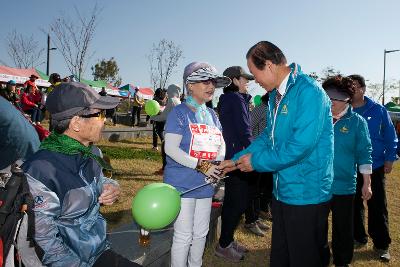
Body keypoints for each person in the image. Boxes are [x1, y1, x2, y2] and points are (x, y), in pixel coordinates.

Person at [219, 41, 334, 267]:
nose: (255, 81)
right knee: (282, 255)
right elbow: (266, 139)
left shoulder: (309, 92)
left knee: (304, 257)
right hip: (283, 190)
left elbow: (300, 146)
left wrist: (257, 161)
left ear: (269, 66)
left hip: (306, 193)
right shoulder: (275, 96)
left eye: (255, 73)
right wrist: (234, 160)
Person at [22, 82, 140, 267]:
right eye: (99, 114)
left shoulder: (93, 153)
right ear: (76, 123)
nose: (105, 120)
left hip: (97, 252)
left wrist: (111, 187)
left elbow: (97, 181)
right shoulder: (41, 171)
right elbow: (44, 241)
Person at [164, 62, 229, 267]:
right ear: (190, 85)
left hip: (206, 184)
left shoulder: (211, 115)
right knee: (183, 235)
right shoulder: (179, 112)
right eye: (205, 81)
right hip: (182, 184)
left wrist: (217, 165)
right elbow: (171, 149)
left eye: (213, 82)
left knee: (201, 233)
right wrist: (204, 167)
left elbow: (221, 143)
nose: (211, 86)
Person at [215, 65, 266, 262]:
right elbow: (245, 131)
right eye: (244, 79)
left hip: (236, 155)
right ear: (235, 81)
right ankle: (224, 245)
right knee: (236, 203)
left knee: (237, 202)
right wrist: (255, 153)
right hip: (238, 158)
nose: (247, 83)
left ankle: (227, 240)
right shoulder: (235, 99)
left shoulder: (235, 99)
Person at [322, 75, 373, 267]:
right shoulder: (319, 119)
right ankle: (321, 259)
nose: (331, 102)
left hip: (345, 185)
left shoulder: (357, 122)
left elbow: (364, 153)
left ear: (348, 99)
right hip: (319, 184)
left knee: (343, 228)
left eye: (336, 98)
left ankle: (342, 262)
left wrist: (367, 183)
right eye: (328, 98)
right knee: (318, 227)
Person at [349, 74, 397, 262]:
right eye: (348, 87)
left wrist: (390, 158)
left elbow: (390, 134)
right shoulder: (343, 109)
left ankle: (382, 244)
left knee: (377, 205)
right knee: (353, 203)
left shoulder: (378, 109)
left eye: (354, 87)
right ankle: (358, 236)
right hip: (350, 166)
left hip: (375, 164)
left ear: (363, 89)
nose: (351, 90)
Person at [250, 93, 273, 221]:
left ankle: (263, 209)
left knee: (268, 184)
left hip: (270, 154)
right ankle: (256, 215)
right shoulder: (261, 107)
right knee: (259, 186)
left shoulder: (274, 109)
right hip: (259, 154)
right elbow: (249, 127)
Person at [152, 84, 181, 175]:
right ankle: (170, 169)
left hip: (173, 130)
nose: (167, 93)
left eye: (168, 90)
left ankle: (165, 169)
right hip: (178, 130)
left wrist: (153, 117)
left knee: (165, 148)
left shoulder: (172, 100)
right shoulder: (178, 101)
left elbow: (164, 116)